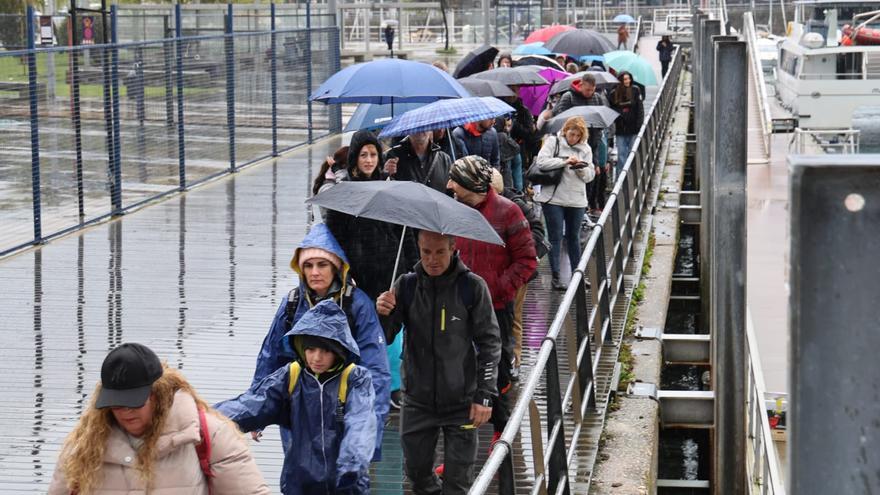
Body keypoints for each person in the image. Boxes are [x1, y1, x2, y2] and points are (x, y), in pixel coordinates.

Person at [49, 343, 269, 495]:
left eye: (134, 402)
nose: (126, 411)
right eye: (116, 403)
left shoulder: (211, 436)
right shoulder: (83, 446)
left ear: (158, 395)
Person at [376, 230, 501, 495]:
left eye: (440, 252)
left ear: (453, 248)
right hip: (417, 400)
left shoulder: (472, 286)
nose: (432, 259)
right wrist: (384, 313)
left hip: (462, 401)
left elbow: (490, 344)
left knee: (457, 483)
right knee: (417, 475)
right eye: (426, 252)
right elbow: (385, 336)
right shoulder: (406, 285)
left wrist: (485, 396)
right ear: (419, 250)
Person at [251, 223, 390, 456]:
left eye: (322, 264)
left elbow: (375, 369)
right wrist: (257, 412)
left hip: (342, 411)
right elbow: (270, 358)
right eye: (308, 265)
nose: (315, 272)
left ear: (336, 267)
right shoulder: (292, 303)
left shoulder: (357, 305)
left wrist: (369, 430)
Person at [218, 301, 377, 495]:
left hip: (346, 484)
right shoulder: (290, 376)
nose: (316, 358)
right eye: (310, 349)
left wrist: (352, 463)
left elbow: (360, 422)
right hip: (300, 485)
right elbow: (250, 406)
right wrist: (204, 419)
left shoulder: (355, 379)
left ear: (338, 350)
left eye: (325, 350)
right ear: (301, 347)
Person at [445, 156, 536, 448]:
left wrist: (498, 287)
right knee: (458, 376)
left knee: (494, 372)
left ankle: (502, 431)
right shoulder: (455, 211)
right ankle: (461, 448)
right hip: (459, 306)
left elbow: (527, 261)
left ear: (472, 184)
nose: (449, 186)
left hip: (496, 307)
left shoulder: (508, 212)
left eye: (455, 180)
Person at [326, 129, 419, 302]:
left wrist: (413, 271)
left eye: (373, 154)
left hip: (392, 277)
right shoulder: (343, 193)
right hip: (358, 280)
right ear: (355, 157)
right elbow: (334, 240)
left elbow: (405, 235)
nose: (369, 160)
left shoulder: (390, 188)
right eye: (363, 155)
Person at [534, 116, 595, 290]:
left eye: (577, 135)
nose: (573, 138)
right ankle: (556, 276)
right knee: (555, 236)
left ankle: (579, 274)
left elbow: (590, 176)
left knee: (573, 237)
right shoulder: (554, 142)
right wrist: (564, 161)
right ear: (565, 131)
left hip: (576, 199)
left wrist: (580, 167)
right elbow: (541, 162)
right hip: (554, 198)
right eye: (571, 134)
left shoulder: (585, 149)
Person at [384, 130, 453, 194]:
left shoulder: (444, 159)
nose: (420, 130)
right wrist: (385, 174)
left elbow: (450, 192)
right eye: (415, 127)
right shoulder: (393, 155)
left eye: (424, 126)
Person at [609, 71, 644, 178]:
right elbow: (613, 109)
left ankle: (632, 178)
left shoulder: (635, 90)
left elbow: (640, 109)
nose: (627, 81)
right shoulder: (614, 93)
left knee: (632, 155)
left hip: (633, 128)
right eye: (625, 79)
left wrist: (639, 124)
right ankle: (621, 179)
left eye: (629, 78)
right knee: (621, 156)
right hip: (621, 129)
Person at [312, 146, 349, 221]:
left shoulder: (345, 180)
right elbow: (343, 202)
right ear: (345, 166)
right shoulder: (327, 187)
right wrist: (339, 173)